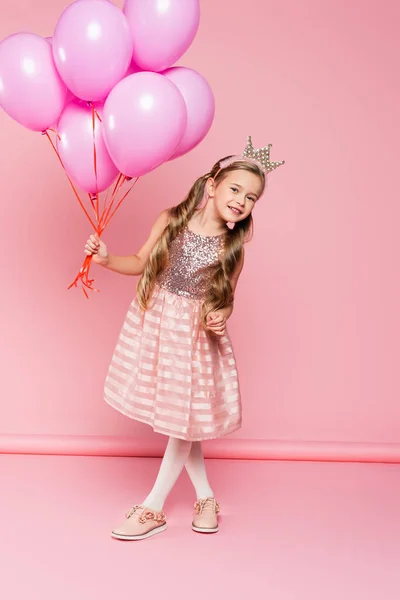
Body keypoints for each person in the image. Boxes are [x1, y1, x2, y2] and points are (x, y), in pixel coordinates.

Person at [84, 136, 284, 541]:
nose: (242, 201)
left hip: (193, 338)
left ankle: (153, 507)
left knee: (181, 420)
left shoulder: (232, 246)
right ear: (212, 184)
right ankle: (207, 497)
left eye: (251, 197)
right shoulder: (171, 219)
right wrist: (106, 259)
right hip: (159, 326)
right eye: (235, 189)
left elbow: (227, 300)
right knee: (182, 420)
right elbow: (141, 263)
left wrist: (218, 316)